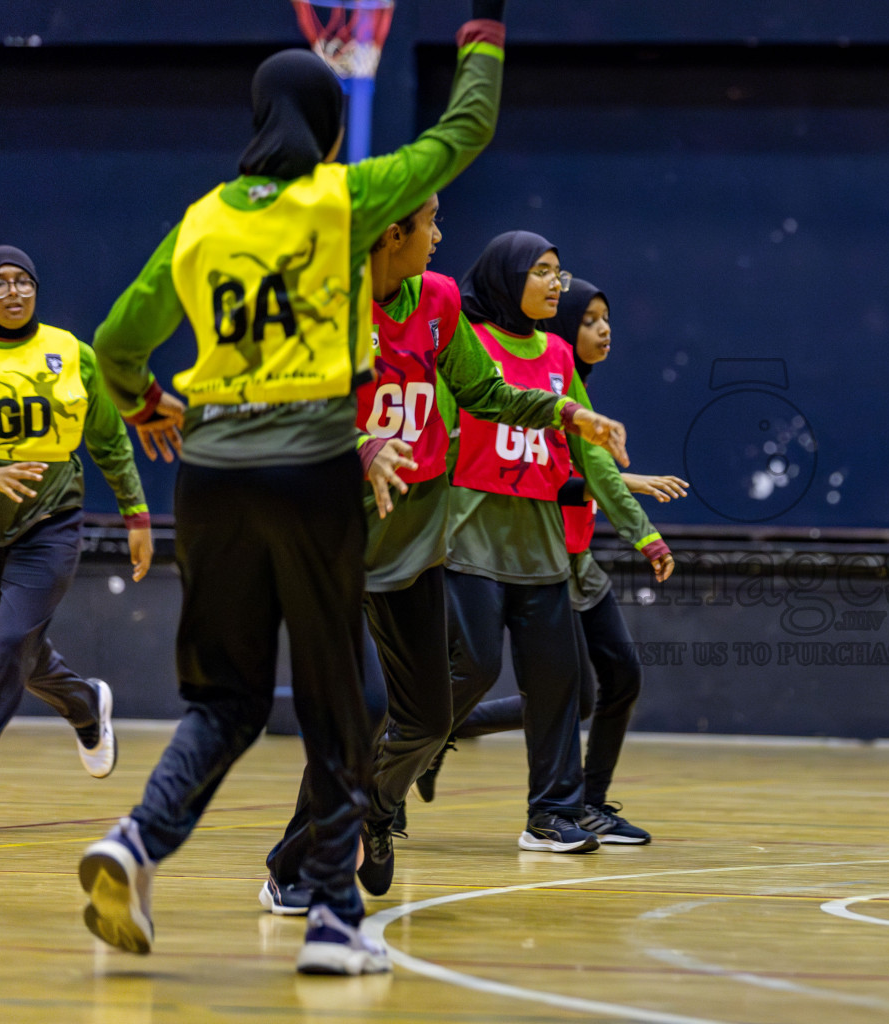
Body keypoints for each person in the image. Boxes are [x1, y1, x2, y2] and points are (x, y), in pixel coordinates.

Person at [79, 1, 522, 976]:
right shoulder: (343, 197)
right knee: (342, 698)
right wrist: (485, 22)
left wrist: (151, 402)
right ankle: (329, 917)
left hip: (212, 476)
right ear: (326, 127)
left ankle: (138, 840)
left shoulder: (199, 221)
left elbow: (114, 344)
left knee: (225, 700)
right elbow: (467, 129)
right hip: (313, 467)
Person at [260, 198, 629, 910]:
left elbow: (483, 390)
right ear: (392, 235)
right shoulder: (324, 308)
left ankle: (370, 809)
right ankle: (292, 867)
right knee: (361, 709)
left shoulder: (437, 301)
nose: (440, 237)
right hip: (333, 542)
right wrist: (364, 444)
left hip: (413, 544)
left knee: (427, 718)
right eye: (430, 223)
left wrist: (566, 411)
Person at [412, 278, 687, 845]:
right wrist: (615, 490)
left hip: (572, 558)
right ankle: (427, 740)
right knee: (526, 680)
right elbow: (538, 471)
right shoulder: (495, 368)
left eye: (605, 317)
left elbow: (584, 467)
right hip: (520, 551)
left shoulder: (563, 374)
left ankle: (577, 803)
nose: (603, 328)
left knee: (606, 681)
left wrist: (627, 505)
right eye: (589, 319)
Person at [0, 246, 151, 778]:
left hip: (49, 525)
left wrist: (136, 514)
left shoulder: (70, 352)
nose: (12, 291)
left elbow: (109, 440)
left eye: (22, 281)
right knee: (22, 647)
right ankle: (86, 704)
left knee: (8, 639)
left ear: (36, 289)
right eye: (1, 282)